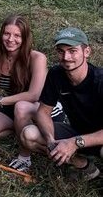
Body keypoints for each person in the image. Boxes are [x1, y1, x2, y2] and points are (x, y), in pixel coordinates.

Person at [21, 27, 103, 181]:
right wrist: (51, 140)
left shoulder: (99, 80)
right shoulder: (56, 74)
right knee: (29, 135)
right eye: (61, 51)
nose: (66, 57)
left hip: (98, 137)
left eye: (72, 51)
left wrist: (75, 143)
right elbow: (43, 112)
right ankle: (84, 166)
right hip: (77, 131)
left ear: (86, 52)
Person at [0, 15, 53, 173]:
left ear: (25, 38)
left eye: (17, 35)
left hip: (40, 107)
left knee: (21, 107)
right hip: (12, 104)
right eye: (7, 34)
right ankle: (19, 130)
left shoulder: (37, 58)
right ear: (1, 35)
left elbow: (33, 95)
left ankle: (25, 157)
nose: (11, 39)